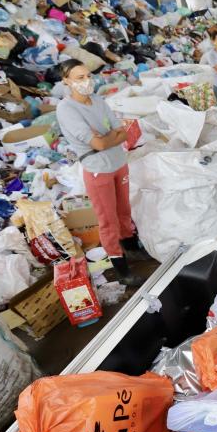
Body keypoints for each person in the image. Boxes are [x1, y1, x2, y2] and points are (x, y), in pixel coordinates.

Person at [56, 59, 144, 286]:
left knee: (124, 211)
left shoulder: (97, 100)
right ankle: (122, 270)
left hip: (118, 163)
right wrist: (107, 138)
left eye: (88, 76)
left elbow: (122, 132)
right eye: (79, 78)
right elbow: (100, 145)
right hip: (98, 171)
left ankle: (131, 249)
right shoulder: (66, 109)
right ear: (66, 81)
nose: (87, 82)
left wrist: (105, 137)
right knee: (108, 220)